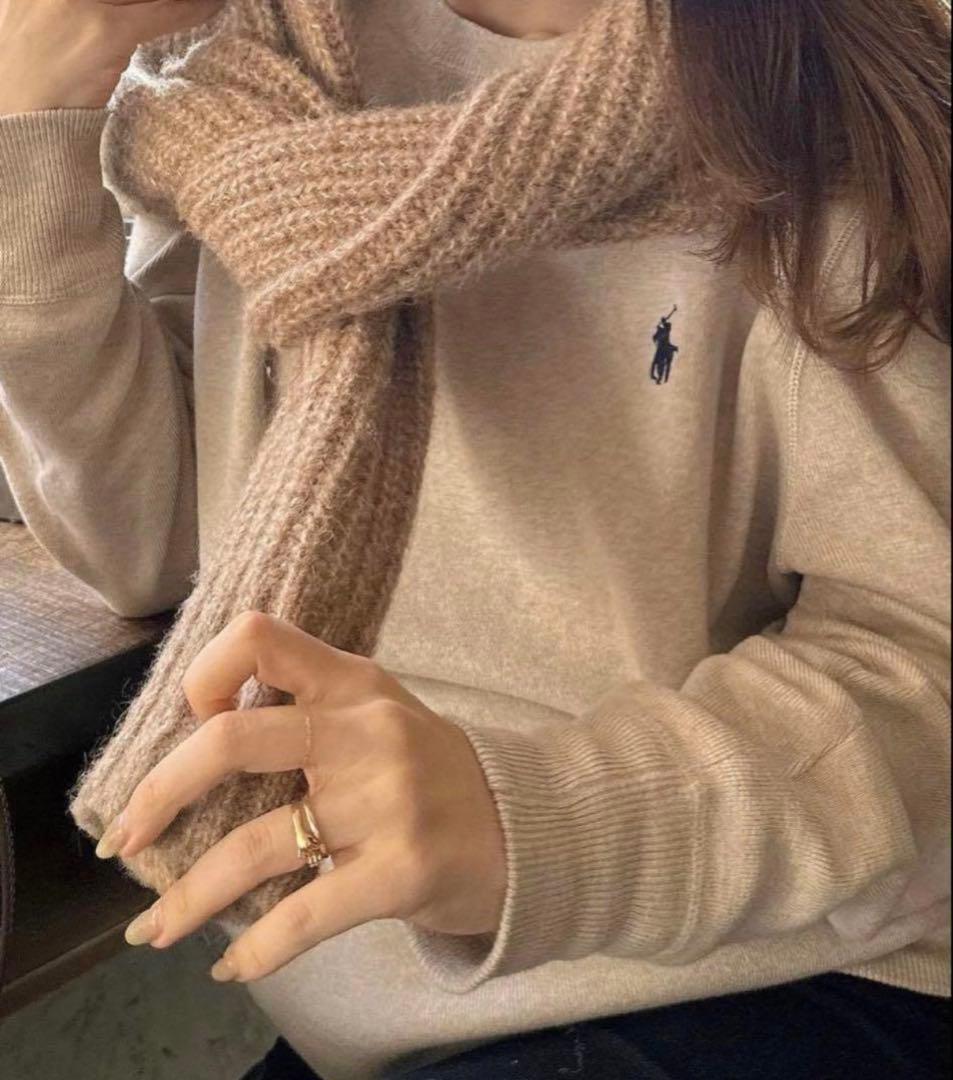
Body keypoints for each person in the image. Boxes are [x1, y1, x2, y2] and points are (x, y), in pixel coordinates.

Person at [1, 1, 950, 1078]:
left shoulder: (814, 95)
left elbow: (922, 660)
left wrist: (539, 821)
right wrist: (34, 120)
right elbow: (151, 540)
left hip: (760, 981)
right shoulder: (241, 65)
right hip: (384, 1016)